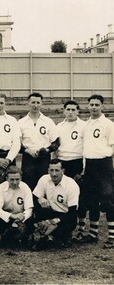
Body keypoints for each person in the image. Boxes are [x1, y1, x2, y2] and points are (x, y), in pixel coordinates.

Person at [79, 94, 114, 248]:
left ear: (102, 106)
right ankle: (92, 234)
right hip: (90, 165)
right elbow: (86, 148)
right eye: (91, 105)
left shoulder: (108, 124)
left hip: (104, 164)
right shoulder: (86, 125)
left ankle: (112, 236)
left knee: (107, 199)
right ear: (88, 107)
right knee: (91, 199)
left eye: (96, 105)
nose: (93, 107)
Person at [55, 100, 86, 242]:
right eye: (68, 109)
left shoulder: (84, 126)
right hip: (63, 163)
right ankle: (64, 228)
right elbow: (55, 148)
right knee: (63, 196)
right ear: (64, 111)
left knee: (79, 197)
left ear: (78, 111)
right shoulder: (58, 127)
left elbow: (86, 148)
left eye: (74, 109)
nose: (71, 112)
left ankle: (81, 229)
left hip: (77, 162)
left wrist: (84, 169)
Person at [32, 159, 79, 250]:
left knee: (61, 231)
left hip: (65, 216)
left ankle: (63, 235)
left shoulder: (71, 185)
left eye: (57, 170)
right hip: (51, 212)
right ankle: (45, 235)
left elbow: (72, 213)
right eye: (51, 170)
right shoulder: (44, 179)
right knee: (39, 209)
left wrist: (54, 221)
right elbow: (33, 197)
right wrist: (40, 198)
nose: (54, 174)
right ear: (48, 170)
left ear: (63, 171)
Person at [18, 93, 59, 190]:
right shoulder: (21, 122)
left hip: (44, 158)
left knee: (44, 183)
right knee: (29, 184)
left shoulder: (48, 121)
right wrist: (28, 151)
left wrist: (46, 150)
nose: (35, 105)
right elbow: (16, 144)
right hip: (28, 158)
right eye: (33, 102)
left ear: (41, 104)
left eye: (38, 102)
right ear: (28, 103)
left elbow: (56, 142)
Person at [0, 166, 34, 246]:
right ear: (7, 178)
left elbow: (29, 209)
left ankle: (25, 237)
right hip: (7, 217)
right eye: (12, 179)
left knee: (31, 220)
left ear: (21, 178)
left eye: (17, 179)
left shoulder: (25, 187)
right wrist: (12, 216)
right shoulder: (1, 187)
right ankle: (3, 235)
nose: (15, 182)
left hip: (21, 217)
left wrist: (21, 218)